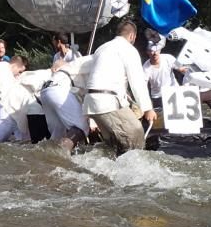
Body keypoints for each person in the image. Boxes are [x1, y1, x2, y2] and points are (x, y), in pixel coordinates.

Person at [82, 20, 156, 155]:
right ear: (132, 36)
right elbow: (137, 82)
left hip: (91, 102)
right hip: (107, 102)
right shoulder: (128, 50)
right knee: (136, 133)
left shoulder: (101, 48)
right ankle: (132, 173)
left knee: (114, 146)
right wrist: (147, 109)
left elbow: (84, 65)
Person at [40, 55, 95, 149]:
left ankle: (46, 158)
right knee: (81, 127)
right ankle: (59, 155)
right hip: (59, 90)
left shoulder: (77, 64)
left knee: (57, 136)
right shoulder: (98, 59)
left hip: (45, 91)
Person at [142, 37, 181, 112]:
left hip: (174, 92)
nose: (155, 53)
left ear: (160, 50)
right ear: (148, 52)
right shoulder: (145, 68)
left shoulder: (169, 58)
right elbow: (143, 85)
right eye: (152, 51)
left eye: (157, 50)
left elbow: (181, 68)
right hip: (158, 97)